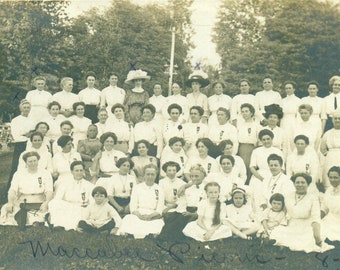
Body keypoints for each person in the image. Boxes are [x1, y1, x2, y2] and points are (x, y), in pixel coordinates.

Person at [270, 173, 333, 253]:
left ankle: (285, 245)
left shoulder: (313, 198)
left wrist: (317, 237)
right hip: (292, 225)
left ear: (308, 184)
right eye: (297, 182)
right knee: (277, 231)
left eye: (303, 182)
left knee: (307, 239)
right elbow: (282, 212)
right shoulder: (288, 196)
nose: (300, 185)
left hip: (307, 226)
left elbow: (315, 217)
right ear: (294, 184)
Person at [0, 152, 53, 228]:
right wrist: (10, 202)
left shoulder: (45, 173)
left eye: (35, 161)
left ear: (38, 161)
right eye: (30, 161)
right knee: (6, 208)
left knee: (49, 208)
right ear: (25, 162)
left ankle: (35, 219)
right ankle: (34, 219)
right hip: (23, 200)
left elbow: (49, 190)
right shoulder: (18, 174)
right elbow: (12, 190)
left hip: (40, 199)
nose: (33, 163)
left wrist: (46, 202)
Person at [158, 164, 206, 241]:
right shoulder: (188, 187)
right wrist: (177, 210)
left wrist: (195, 214)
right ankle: (165, 237)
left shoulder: (206, 188)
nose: (193, 178)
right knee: (172, 217)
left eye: (196, 176)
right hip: (186, 210)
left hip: (198, 212)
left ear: (203, 176)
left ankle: (168, 238)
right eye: (192, 176)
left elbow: (205, 205)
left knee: (180, 220)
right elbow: (182, 201)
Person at [118, 164, 164, 239]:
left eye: (152, 174)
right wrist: (140, 216)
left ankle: (148, 235)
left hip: (152, 216)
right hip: (138, 214)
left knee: (159, 222)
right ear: (144, 175)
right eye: (148, 174)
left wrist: (149, 217)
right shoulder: (137, 188)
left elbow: (159, 209)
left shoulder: (160, 189)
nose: (150, 177)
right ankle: (131, 233)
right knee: (128, 218)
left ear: (156, 176)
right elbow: (133, 207)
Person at [48, 161, 94, 231]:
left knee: (78, 216)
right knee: (53, 203)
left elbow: (92, 203)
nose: (79, 173)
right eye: (76, 170)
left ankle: (68, 227)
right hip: (68, 208)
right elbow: (57, 199)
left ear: (84, 171)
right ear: (72, 172)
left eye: (81, 170)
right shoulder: (64, 184)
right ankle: (65, 226)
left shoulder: (89, 185)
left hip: (82, 209)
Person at [7, 99, 36, 191]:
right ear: (20, 108)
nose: (26, 109)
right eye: (24, 107)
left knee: (32, 165)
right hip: (20, 145)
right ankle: (11, 189)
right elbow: (16, 136)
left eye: (28, 107)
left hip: (32, 145)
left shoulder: (33, 119)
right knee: (17, 167)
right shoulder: (16, 120)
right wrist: (27, 136)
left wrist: (28, 135)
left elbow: (35, 132)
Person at [236, 103, 260, 180]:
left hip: (252, 148)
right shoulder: (239, 125)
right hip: (241, 148)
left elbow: (259, 140)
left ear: (251, 113)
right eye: (242, 112)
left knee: (251, 167)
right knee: (242, 167)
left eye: (246, 111)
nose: (244, 113)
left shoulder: (257, 125)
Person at [320, 110, 340, 188]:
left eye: (339, 118)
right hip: (330, 159)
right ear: (332, 120)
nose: (337, 120)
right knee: (330, 181)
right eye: (335, 118)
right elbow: (322, 148)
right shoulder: (327, 133)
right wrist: (329, 155)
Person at [321, 167, 340, 241]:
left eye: (336, 177)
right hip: (330, 219)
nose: (332, 180)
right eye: (331, 177)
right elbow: (324, 208)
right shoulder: (329, 190)